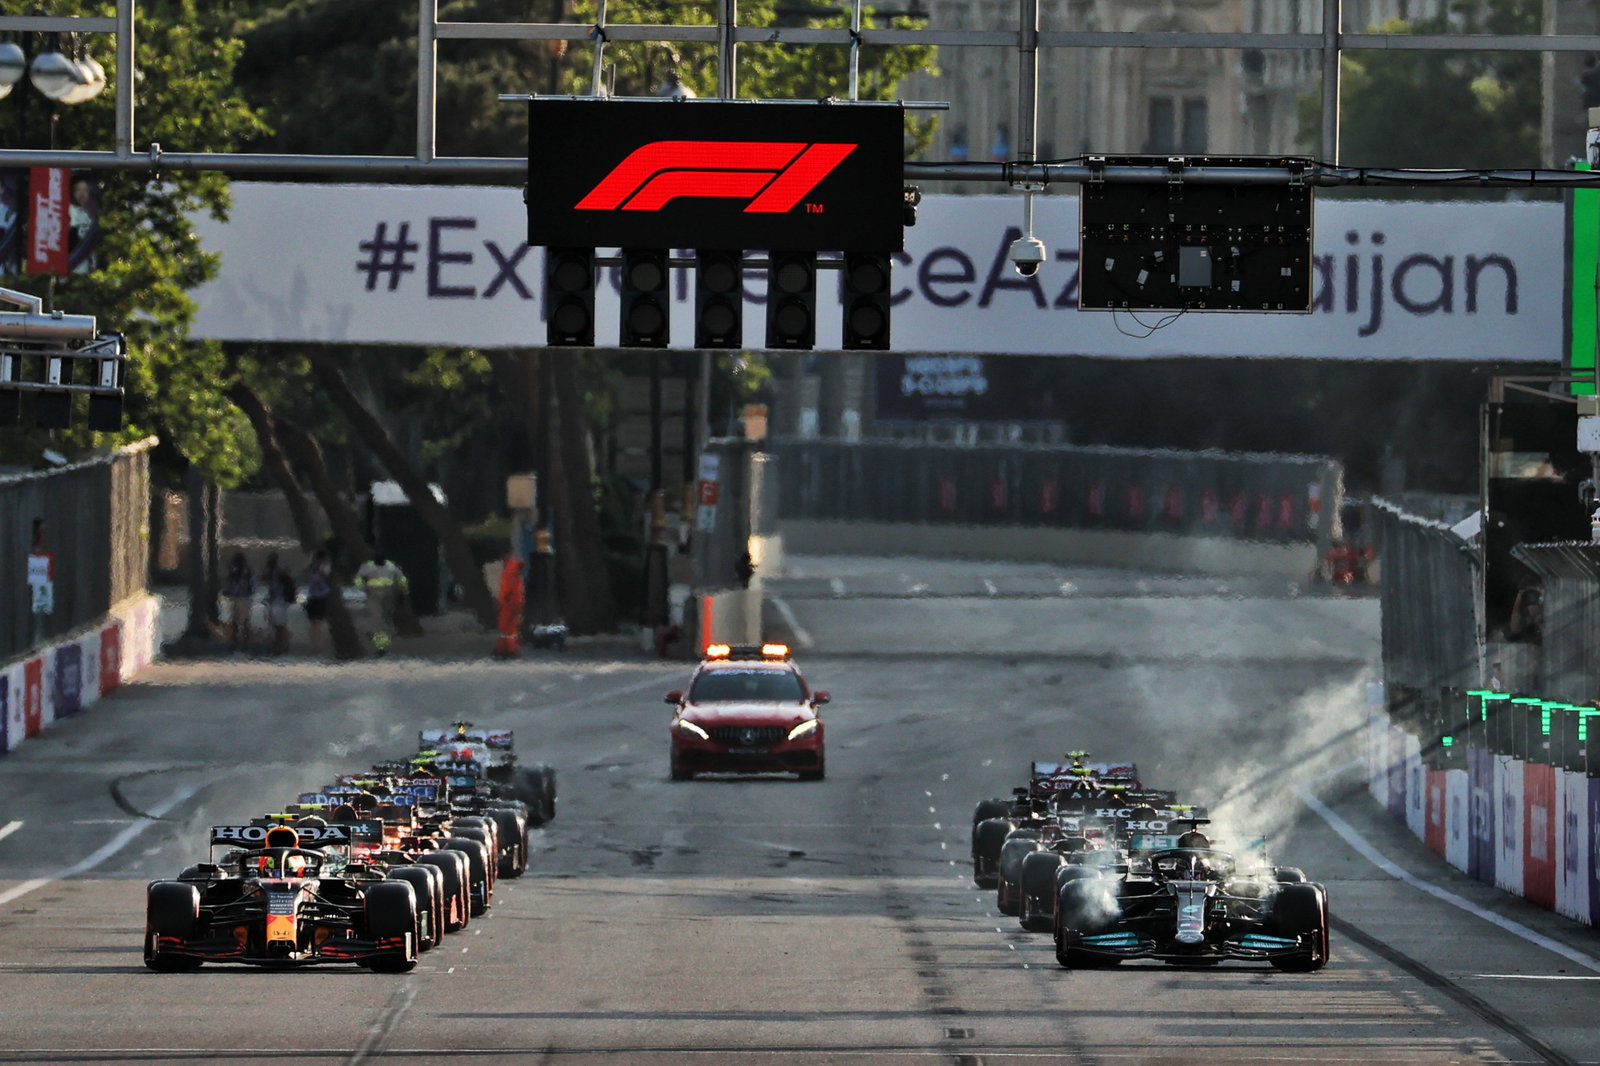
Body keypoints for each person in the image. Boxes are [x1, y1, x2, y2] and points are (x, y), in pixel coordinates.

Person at [355, 551, 407, 655]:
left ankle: (380, 643)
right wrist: (364, 588)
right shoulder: (368, 566)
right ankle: (381, 646)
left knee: (384, 621)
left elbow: (401, 578)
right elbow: (358, 579)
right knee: (377, 620)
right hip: (374, 596)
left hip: (388, 596)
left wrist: (403, 590)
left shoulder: (391, 566)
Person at [261, 553, 296, 655]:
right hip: (280, 601)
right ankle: (281, 645)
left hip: (278, 602)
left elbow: (275, 588)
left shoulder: (276, 572)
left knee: (279, 626)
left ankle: (283, 645)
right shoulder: (278, 571)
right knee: (278, 625)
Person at [302, 548, 333, 654]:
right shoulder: (312, 567)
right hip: (313, 597)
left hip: (320, 597)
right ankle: (314, 645)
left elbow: (326, 572)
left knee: (318, 623)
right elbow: (304, 569)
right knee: (313, 623)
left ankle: (319, 646)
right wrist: (311, 558)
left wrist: (321, 565)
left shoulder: (324, 565)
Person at [494, 554, 525, 658]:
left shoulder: (509, 574)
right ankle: (505, 648)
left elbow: (507, 590)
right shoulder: (516, 574)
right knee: (510, 627)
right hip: (514, 603)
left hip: (508, 604)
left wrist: (503, 601)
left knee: (506, 627)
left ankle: (509, 649)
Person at [223, 553, 255, 650]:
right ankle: (246, 639)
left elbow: (230, 585)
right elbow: (253, 585)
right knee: (245, 620)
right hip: (246, 598)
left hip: (236, 598)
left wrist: (228, 593)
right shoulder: (248, 571)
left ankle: (235, 639)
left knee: (235, 620)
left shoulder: (234, 571)